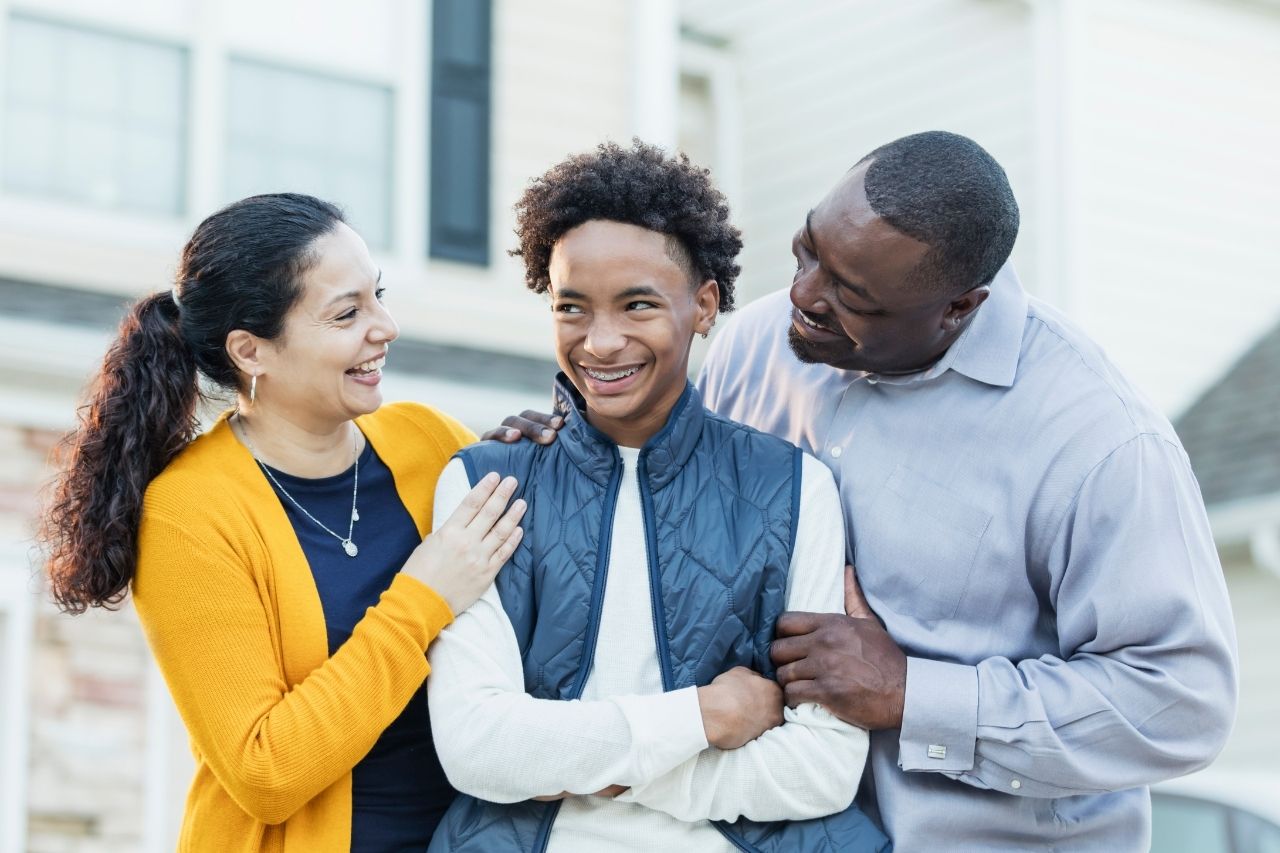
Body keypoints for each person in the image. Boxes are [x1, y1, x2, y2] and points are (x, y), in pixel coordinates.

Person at [490, 131, 1239, 852]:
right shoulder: (756, 347)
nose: (804, 296)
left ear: (959, 307)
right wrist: (571, 451)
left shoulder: (1097, 440)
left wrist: (913, 692)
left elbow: (1179, 701)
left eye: (854, 297)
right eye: (809, 250)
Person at [424, 141, 890, 852]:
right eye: (571, 307)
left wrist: (590, 766)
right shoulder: (487, 483)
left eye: (637, 304)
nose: (600, 342)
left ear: (704, 305)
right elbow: (476, 747)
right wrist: (701, 718)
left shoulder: (793, 488)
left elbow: (822, 767)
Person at [39, 193, 527, 853]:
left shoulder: (428, 439)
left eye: (377, 296)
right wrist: (422, 600)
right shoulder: (192, 513)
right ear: (251, 350)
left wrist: (542, 471)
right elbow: (264, 768)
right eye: (347, 312)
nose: (385, 325)